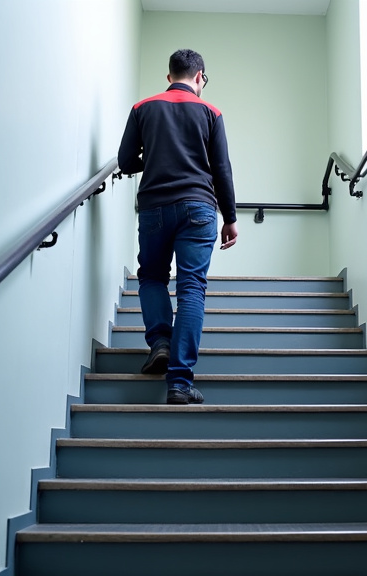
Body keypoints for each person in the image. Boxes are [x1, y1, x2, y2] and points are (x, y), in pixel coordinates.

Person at [117, 49, 238, 405]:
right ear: (199, 77)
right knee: (191, 290)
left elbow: (125, 161)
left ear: (169, 77)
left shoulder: (143, 108)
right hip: (199, 210)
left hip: (154, 207)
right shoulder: (211, 112)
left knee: (152, 277)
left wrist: (155, 157)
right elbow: (222, 170)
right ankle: (180, 383)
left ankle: (160, 343)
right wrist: (229, 218)